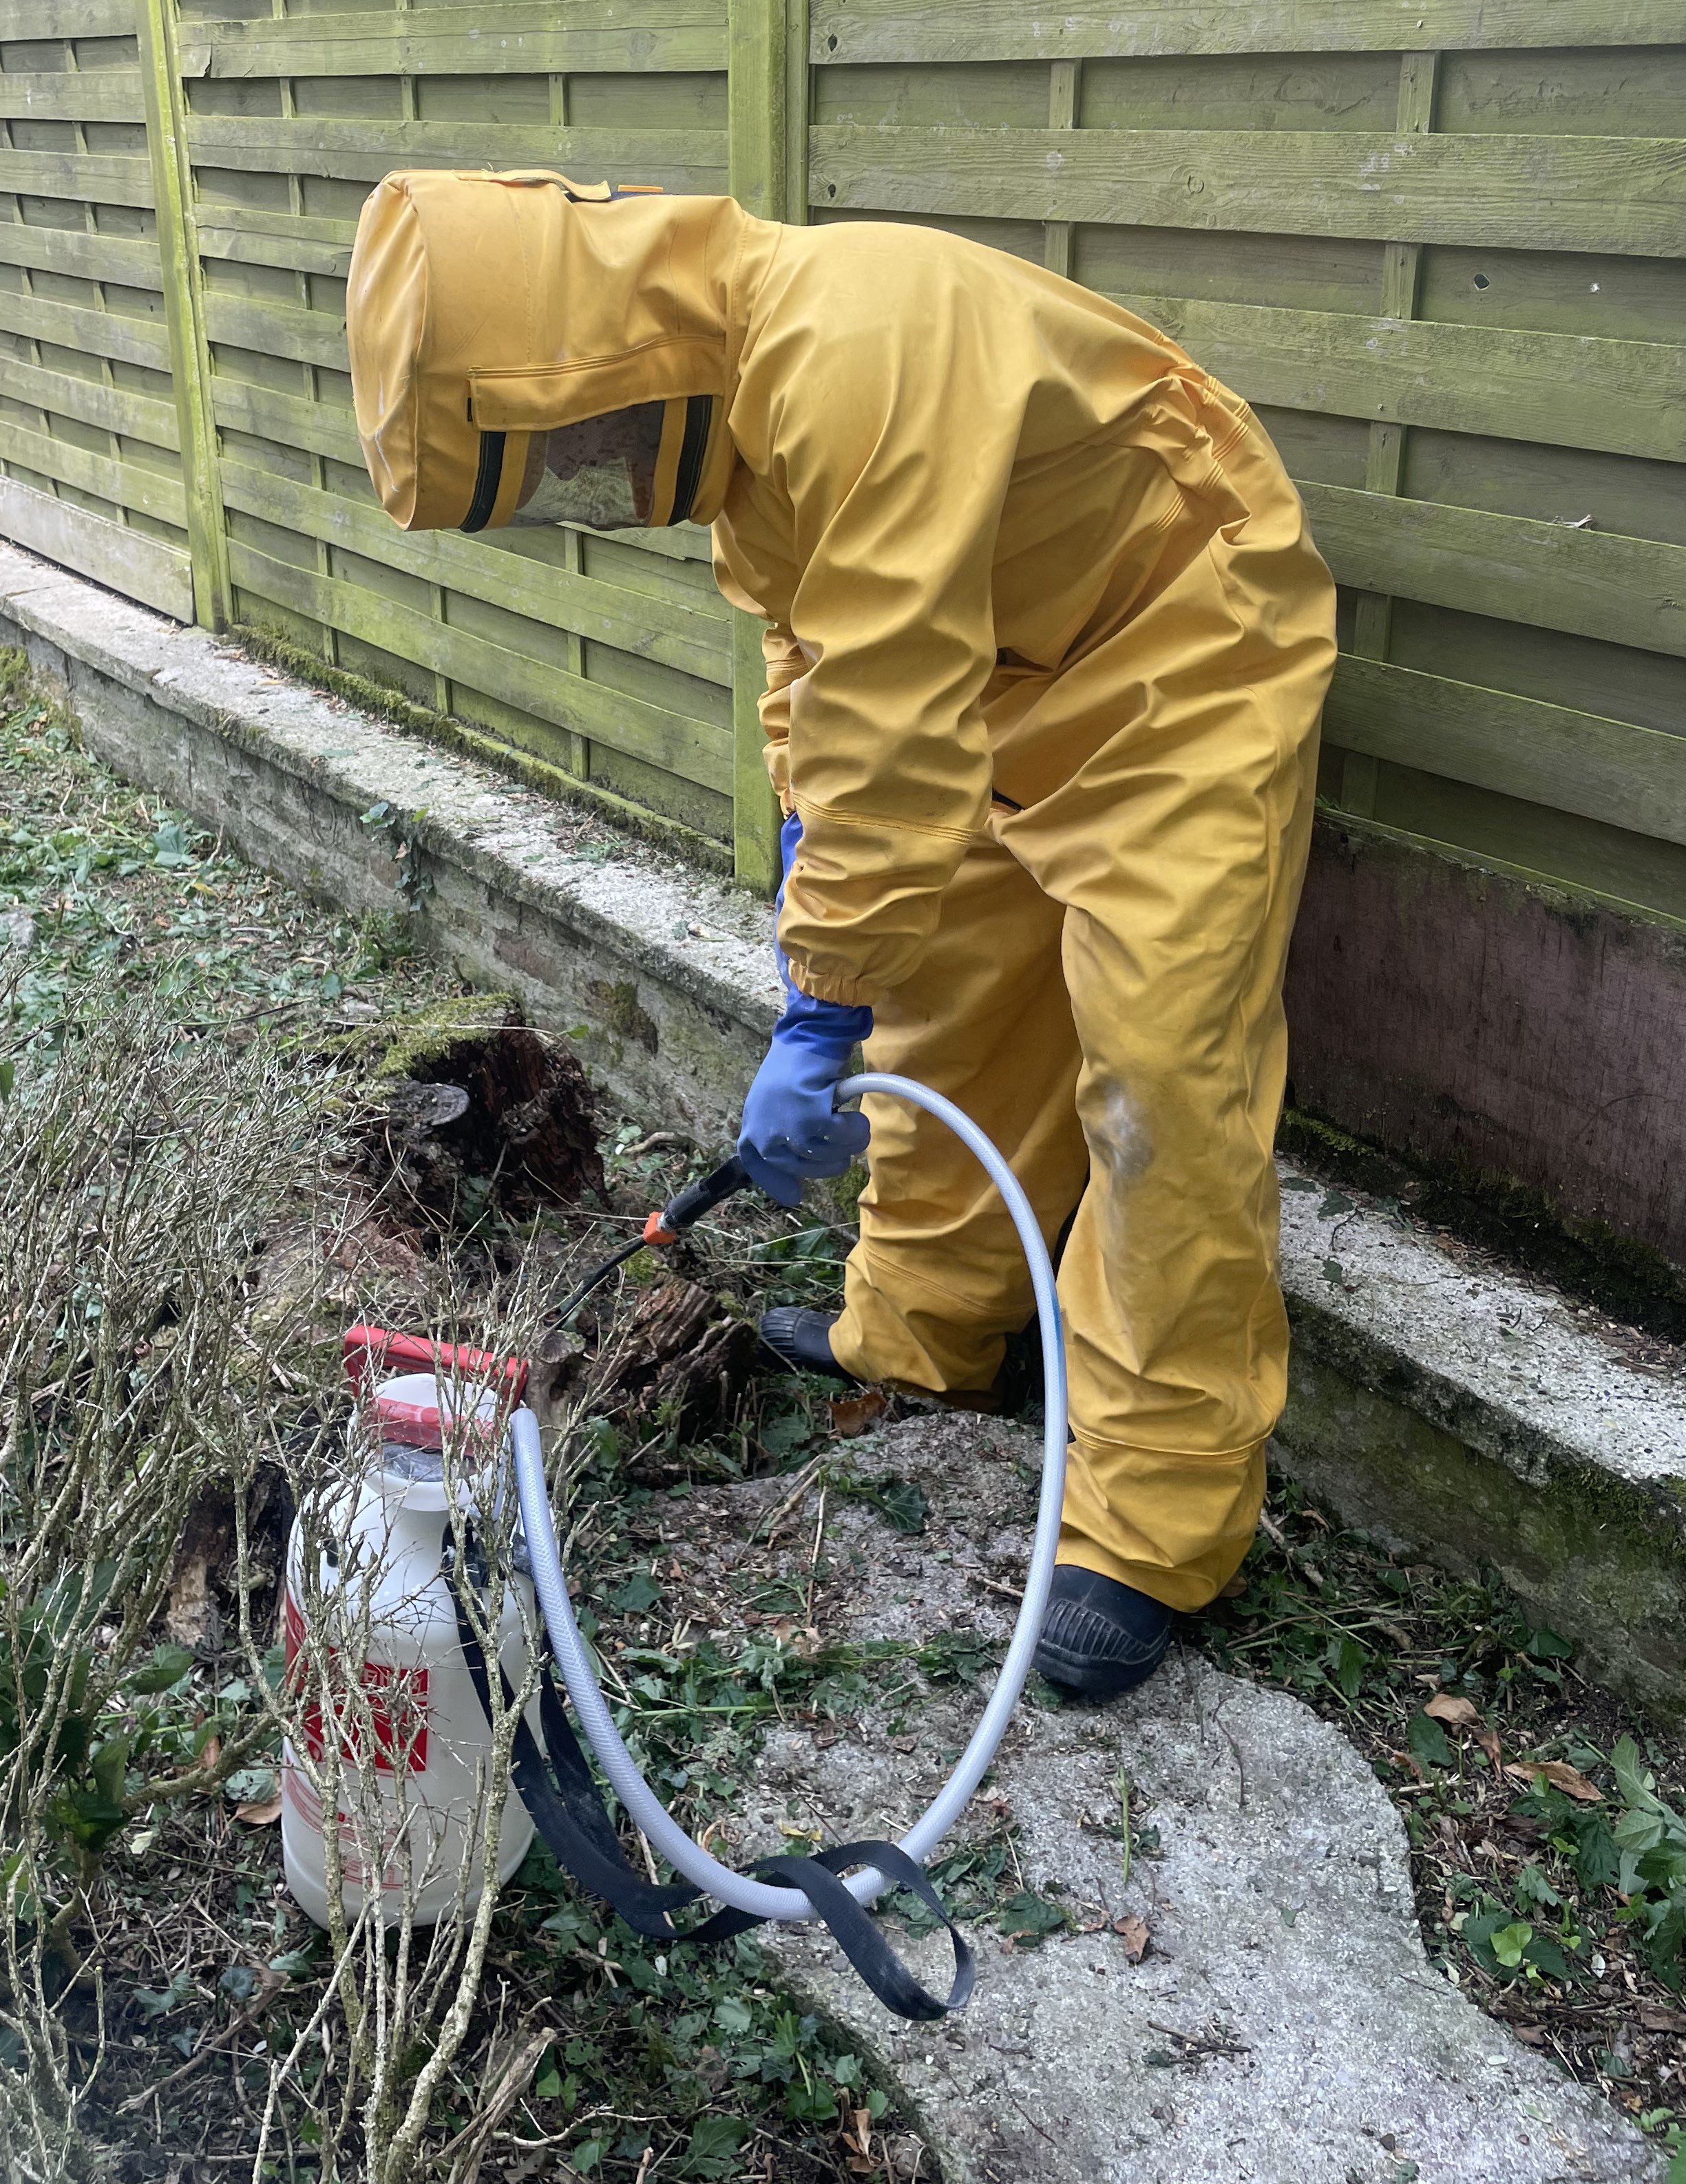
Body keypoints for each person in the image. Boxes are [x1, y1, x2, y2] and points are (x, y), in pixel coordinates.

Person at [344, 169, 1338, 1704]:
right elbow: (820, 683)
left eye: (569, 451)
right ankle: (925, 1325)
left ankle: (1151, 1523)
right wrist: (826, 917)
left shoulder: (853, 342)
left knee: (1162, 1078)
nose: (594, 479)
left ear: (595, 363)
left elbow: (885, 703)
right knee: (947, 1003)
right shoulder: (754, 427)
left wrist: (820, 1004)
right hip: (993, 675)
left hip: (1178, 644)